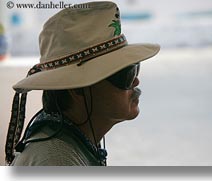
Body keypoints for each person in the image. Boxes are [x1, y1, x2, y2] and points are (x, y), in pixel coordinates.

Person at [5, 1, 160, 166]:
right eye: (125, 74)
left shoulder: (68, 140)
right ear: (77, 89)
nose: (136, 80)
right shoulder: (58, 162)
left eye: (134, 68)